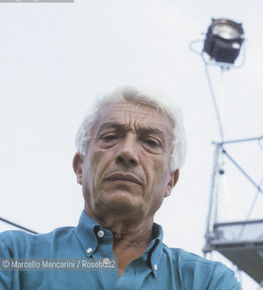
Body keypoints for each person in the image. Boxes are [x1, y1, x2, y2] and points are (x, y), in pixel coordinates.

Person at [0, 86, 242, 289]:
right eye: (110, 137)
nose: (127, 152)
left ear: (170, 180)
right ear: (80, 167)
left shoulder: (209, 282)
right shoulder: (14, 257)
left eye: (150, 142)